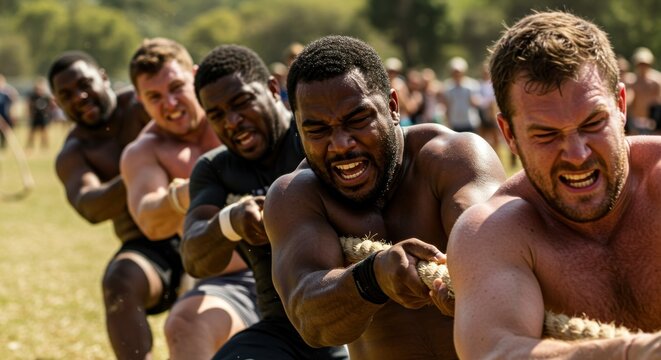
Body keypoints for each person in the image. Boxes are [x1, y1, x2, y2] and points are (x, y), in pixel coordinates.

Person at [263, 35, 506, 359]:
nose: (340, 145)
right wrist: (372, 278)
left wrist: (477, 284)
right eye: (317, 130)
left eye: (358, 120)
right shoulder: (297, 195)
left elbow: (495, 250)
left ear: (393, 107)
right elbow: (311, 321)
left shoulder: (452, 159)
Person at [446, 11, 661, 359]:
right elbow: (494, 351)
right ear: (509, 135)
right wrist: (638, 351)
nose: (577, 155)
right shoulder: (494, 230)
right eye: (546, 134)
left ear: (621, 106)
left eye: (593, 123)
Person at [182, 44, 349, 359]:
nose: (232, 121)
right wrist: (231, 221)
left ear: (273, 88)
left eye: (242, 102)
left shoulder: (317, 140)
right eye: (216, 114)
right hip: (284, 327)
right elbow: (193, 257)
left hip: (358, 314)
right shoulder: (216, 169)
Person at [120, 38, 259, 359]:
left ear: (196, 76)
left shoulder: (242, 119)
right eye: (154, 96)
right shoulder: (145, 150)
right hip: (230, 280)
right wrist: (190, 190)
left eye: (176, 87)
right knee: (185, 325)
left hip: (293, 264)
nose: (169, 103)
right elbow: (150, 221)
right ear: (140, 101)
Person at [50, 51, 176, 359]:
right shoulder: (74, 153)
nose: (79, 97)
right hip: (150, 245)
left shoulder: (142, 104)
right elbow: (90, 207)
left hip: (203, 218)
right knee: (119, 280)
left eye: (85, 84)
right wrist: (137, 169)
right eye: (66, 95)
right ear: (57, 104)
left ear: (103, 77)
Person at [441, 56, 481, 133]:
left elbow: (477, 102)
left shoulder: (472, 84)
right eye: (454, 72)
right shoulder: (447, 86)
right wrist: (447, 121)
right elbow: (447, 105)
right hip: (455, 123)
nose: (457, 74)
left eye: (458, 72)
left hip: (470, 122)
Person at [26, 76, 54, 150]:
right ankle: (30, 145)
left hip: (43, 116)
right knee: (32, 132)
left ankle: (45, 146)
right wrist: (29, 113)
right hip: (35, 116)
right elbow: (29, 105)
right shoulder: (33, 96)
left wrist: (49, 112)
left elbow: (52, 104)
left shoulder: (46, 96)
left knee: (44, 131)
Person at [0, 74, 19, 148]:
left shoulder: (8, 91)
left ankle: (4, 146)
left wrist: (13, 113)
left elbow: (14, 100)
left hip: (5, 114)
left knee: (6, 132)